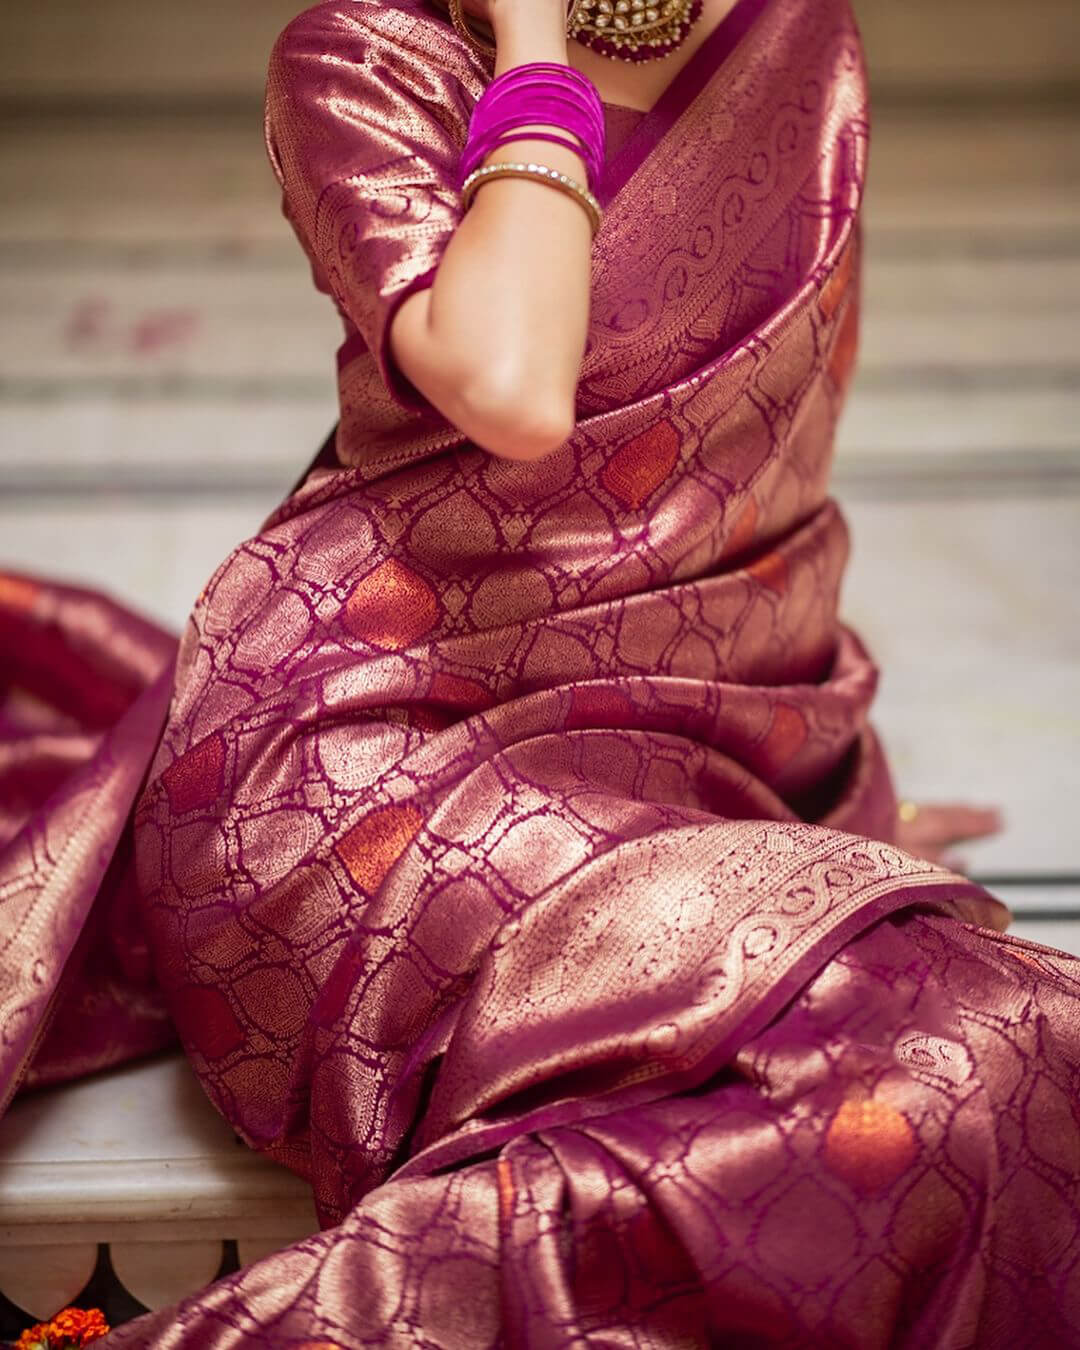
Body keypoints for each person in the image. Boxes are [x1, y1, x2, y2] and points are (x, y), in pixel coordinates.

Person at [1, 0, 1077, 1343]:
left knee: (1004, 1054)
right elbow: (512, 389)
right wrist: (535, 50)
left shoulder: (791, 37)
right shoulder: (363, 61)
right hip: (356, 777)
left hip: (635, 762)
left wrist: (806, 792)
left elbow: (757, 489)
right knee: (964, 1063)